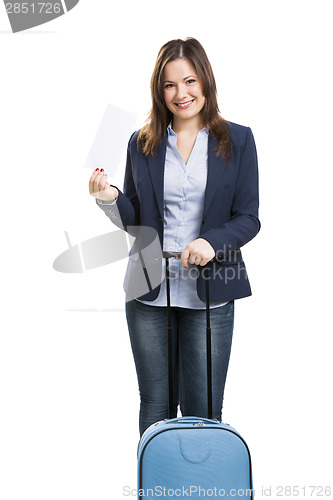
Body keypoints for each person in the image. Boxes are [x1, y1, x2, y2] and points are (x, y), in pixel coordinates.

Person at [89, 37, 260, 437]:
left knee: (203, 408)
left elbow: (248, 218)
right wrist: (109, 198)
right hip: (149, 290)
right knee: (156, 404)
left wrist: (212, 242)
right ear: (159, 90)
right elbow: (136, 221)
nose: (181, 93)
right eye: (169, 85)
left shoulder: (238, 140)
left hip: (211, 293)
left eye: (189, 81)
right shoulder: (141, 143)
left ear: (205, 82)